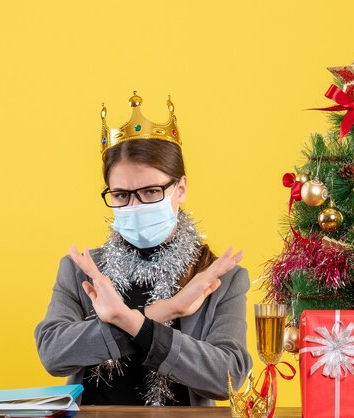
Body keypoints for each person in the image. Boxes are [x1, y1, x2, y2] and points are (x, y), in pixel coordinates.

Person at [34, 92, 252, 406]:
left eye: (150, 191)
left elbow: (227, 378)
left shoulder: (218, 279)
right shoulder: (80, 269)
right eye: (121, 195)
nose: (135, 205)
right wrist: (165, 311)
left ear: (180, 189)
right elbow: (53, 355)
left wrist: (128, 320)